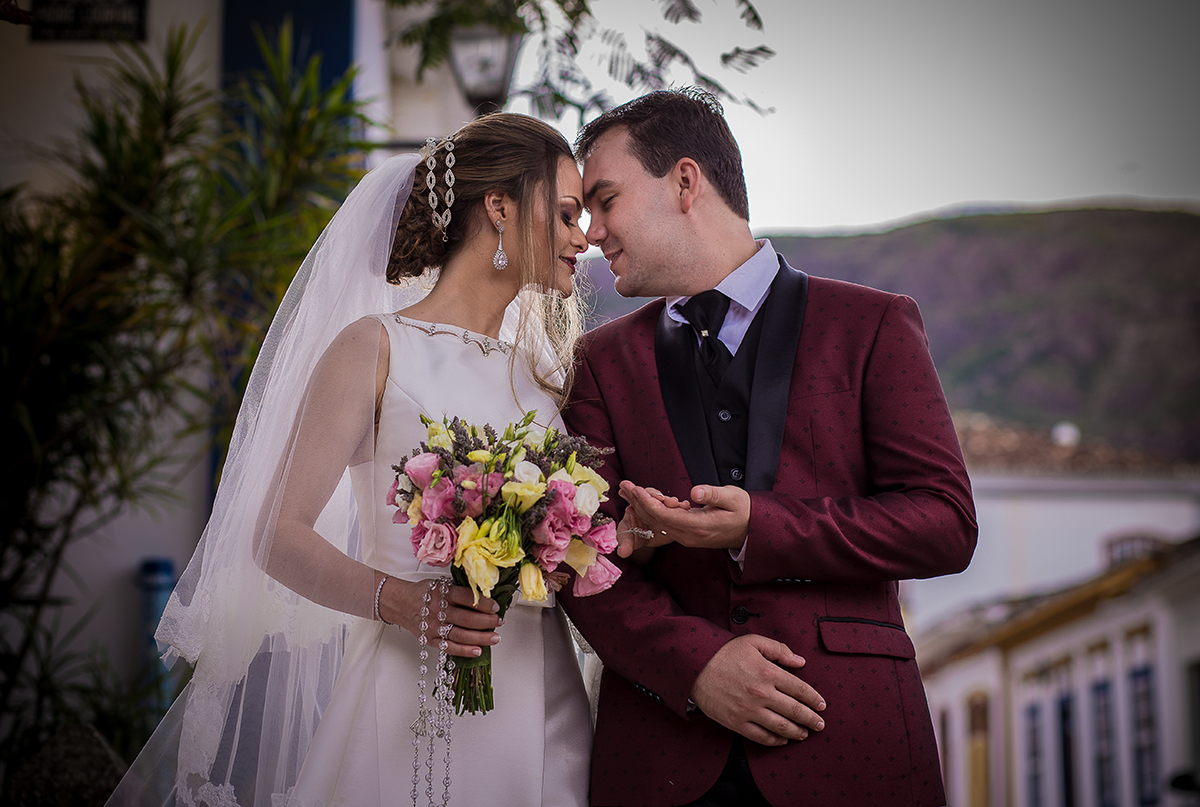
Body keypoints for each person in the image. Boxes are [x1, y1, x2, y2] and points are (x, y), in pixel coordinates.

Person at [106, 113, 593, 807]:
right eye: (568, 213)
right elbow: (276, 534)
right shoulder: (376, 348)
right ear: (499, 207)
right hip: (413, 693)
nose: (583, 236)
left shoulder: (544, 373)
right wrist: (400, 600)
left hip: (543, 695)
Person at [557, 88, 978, 807]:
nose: (592, 231)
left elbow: (945, 523)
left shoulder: (872, 324)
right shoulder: (596, 363)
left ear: (685, 182)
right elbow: (576, 556)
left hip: (853, 745)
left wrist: (760, 524)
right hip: (661, 756)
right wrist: (697, 666)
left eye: (606, 201)